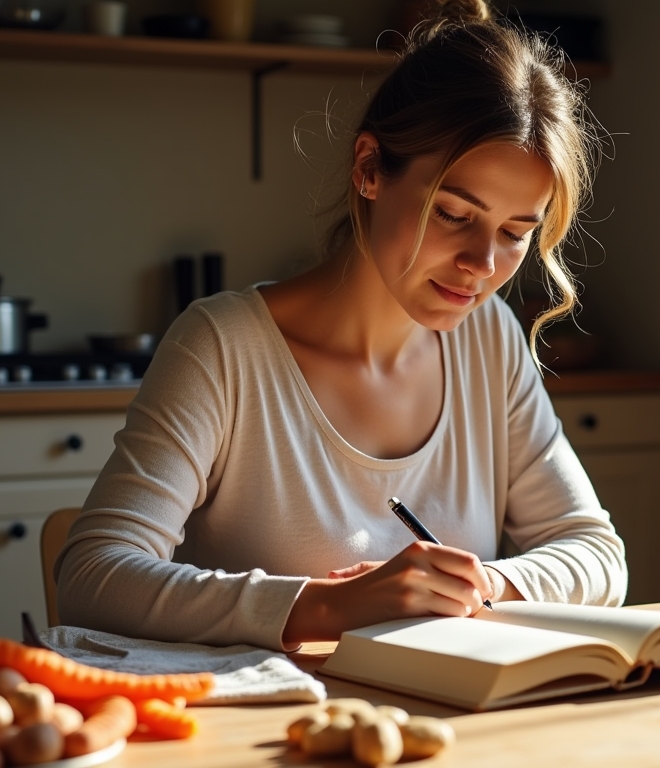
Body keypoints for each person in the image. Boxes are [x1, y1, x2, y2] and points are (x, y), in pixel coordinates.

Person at [55, 0, 627, 651]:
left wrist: (476, 584)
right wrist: (328, 605)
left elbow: (597, 553)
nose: (481, 264)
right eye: (451, 214)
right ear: (368, 170)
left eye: (516, 233)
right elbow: (92, 576)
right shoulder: (223, 347)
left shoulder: (488, 338)